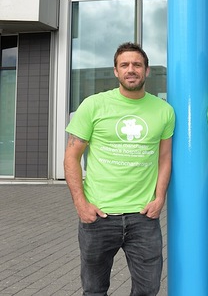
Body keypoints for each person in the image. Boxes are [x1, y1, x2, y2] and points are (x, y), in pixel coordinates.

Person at [64, 42, 175, 296]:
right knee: (94, 290)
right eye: (124, 65)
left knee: (148, 289)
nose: (131, 69)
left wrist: (159, 198)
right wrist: (81, 204)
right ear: (116, 71)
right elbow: (71, 157)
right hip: (99, 216)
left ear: (147, 71)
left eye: (137, 64)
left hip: (143, 217)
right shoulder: (93, 105)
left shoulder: (164, 111)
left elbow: (164, 158)